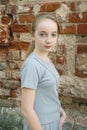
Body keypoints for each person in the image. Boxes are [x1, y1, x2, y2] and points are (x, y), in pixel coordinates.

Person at [20, 13, 66, 130]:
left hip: (54, 120)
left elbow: (47, 93)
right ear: (33, 36)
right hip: (40, 125)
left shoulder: (46, 59)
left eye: (53, 35)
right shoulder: (32, 65)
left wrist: (60, 112)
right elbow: (26, 110)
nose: (49, 40)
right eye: (42, 34)